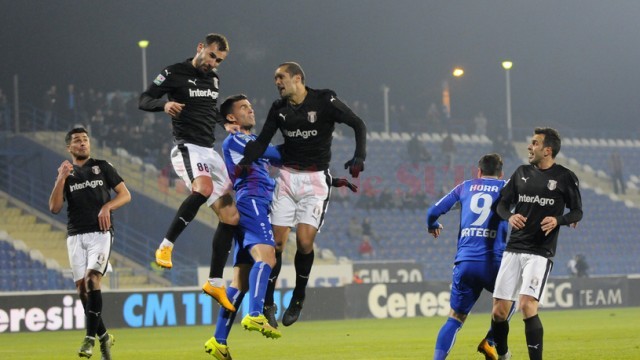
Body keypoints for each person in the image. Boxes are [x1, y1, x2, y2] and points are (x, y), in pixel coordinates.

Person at [239, 61, 367, 327]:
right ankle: (269, 301)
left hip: (315, 181)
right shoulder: (279, 108)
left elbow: (357, 123)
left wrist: (359, 156)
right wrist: (246, 160)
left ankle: (298, 297)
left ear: (297, 78)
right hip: (286, 178)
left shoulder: (324, 100)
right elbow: (263, 140)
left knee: (305, 242)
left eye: (281, 77)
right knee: (275, 245)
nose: (277, 82)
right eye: (275, 78)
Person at [138, 33, 239, 311]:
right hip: (188, 148)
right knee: (203, 188)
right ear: (200, 48)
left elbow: (208, 109)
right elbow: (144, 99)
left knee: (232, 216)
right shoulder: (174, 72)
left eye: (219, 60)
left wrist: (225, 122)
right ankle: (165, 246)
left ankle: (215, 283)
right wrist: (164, 105)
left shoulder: (214, 80)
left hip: (209, 150)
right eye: (211, 56)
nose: (214, 63)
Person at [491, 127, 583, 360]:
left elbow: (577, 212)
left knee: (527, 306)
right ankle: (503, 355)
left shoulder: (565, 177)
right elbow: (501, 205)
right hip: (513, 248)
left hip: (539, 252)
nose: (530, 147)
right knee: (499, 312)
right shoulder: (521, 172)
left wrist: (558, 220)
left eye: (534, 143)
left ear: (547, 150)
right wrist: (509, 216)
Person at [205, 95, 282, 359]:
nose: (251, 109)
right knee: (268, 256)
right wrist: (298, 145)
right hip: (253, 200)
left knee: (239, 281)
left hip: (250, 204)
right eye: (244, 107)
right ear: (231, 118)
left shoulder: (250, 140)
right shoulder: (236, 139)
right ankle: (255, 313)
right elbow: (274, 153)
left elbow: (276, 157)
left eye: (251, 105)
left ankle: (219, 340)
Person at [49, 128, 131, 359]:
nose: (83, 143)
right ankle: (104, 336)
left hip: (100, 233)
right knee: (82, 289)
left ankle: (89, 338)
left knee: (92, 278)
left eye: (85, 139)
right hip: (75, 235)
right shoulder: (66, 174)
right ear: (69, 148)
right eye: (77, 141)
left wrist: (107, 207)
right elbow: (54, 208)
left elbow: (125, 195)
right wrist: (60, 177)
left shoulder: (102, 166)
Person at [427, 153, 513, 360]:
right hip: (495, 262)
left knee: (455, 319)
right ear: (501, 173)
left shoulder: (465, 186)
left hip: (465, 262)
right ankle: (491, 341)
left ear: (479, 171)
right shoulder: (508, 186)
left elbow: (432, 211)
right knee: (512, 300)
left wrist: (433, 225)